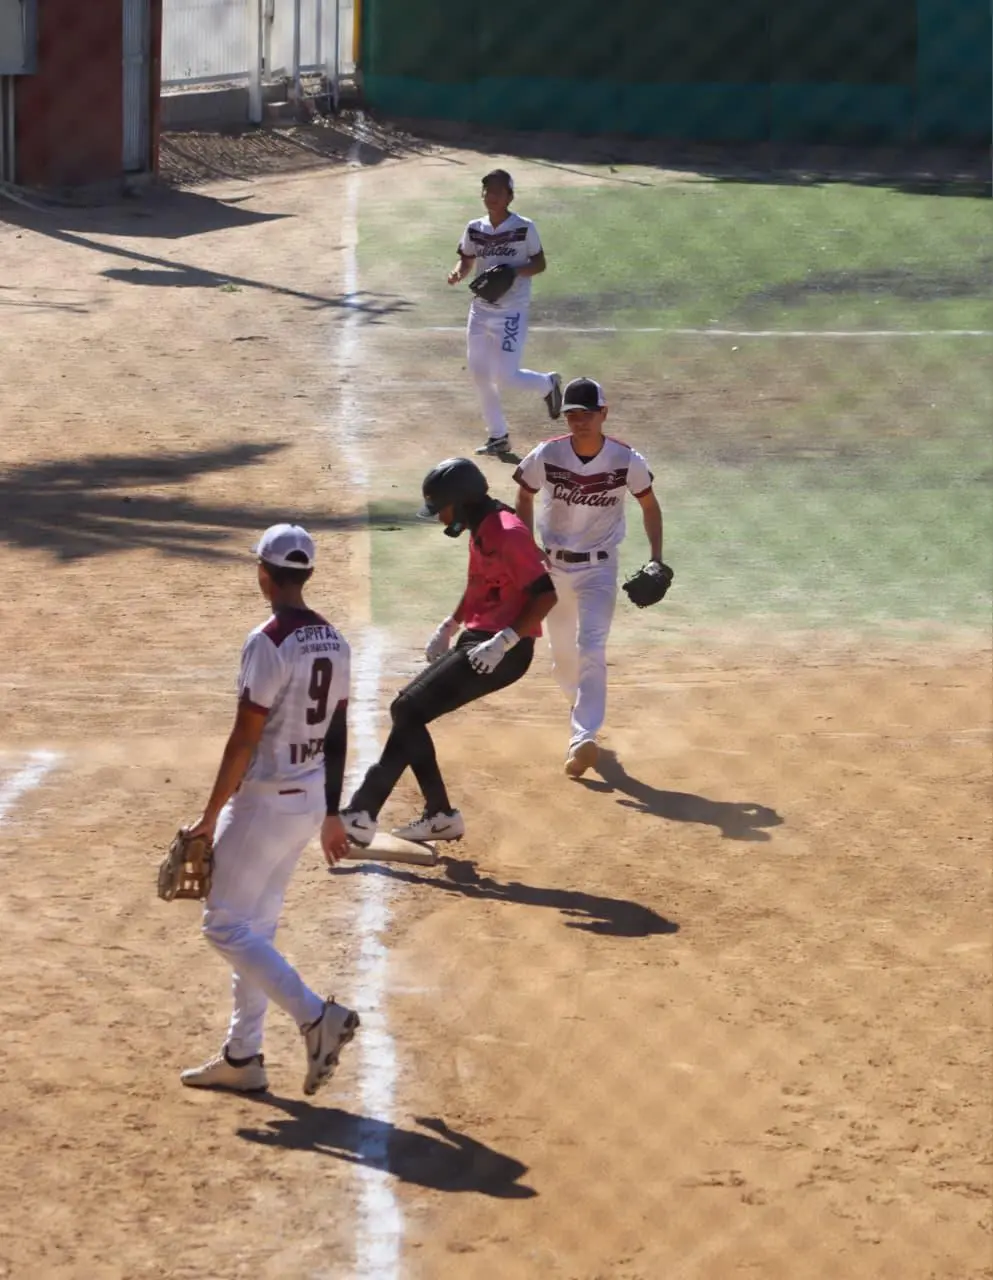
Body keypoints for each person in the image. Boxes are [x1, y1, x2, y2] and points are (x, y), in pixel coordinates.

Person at [180, 523, 360, 1097]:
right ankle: (243, 1055)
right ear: (305, 575)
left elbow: (243, 737)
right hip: (307, 800)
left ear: (264, 573)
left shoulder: (268, 640)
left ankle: (315, 1017)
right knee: (255, 929)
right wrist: (332, 810)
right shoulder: (335, 639)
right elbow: (337, 731)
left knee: (224, 926)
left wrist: (210, 817)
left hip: (263, 802)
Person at [341, 458, 557, 845]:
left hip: (504, 649)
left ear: (460, 501)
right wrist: (451, 624)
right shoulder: (482, 528)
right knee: (410, 713)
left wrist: (506, 641)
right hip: (480, 640)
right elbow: (480, 584)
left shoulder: (508, 533)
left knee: (407, 709)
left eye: (441, 508)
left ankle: (364, 811)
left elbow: (546, 595)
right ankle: (436, 814)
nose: (440, 518)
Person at [513, 377, 665, 777]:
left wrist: (656, 559)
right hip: (553, 567)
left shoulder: (626, 459)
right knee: (562, 658)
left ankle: (583, 736)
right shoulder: (548, 454)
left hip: (600, 567)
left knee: (591, 647)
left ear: (604, 414)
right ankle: (580, 706)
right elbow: (525, 493)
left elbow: (649, 505)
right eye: (572, 415)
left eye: (587, 414)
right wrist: (527, 550)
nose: (579, 422)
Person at [448, 168, 563, 459]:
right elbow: (466, 259)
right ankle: (498, 436)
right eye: (488, 191)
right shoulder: (475, 227)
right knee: (479, 374)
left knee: (506, 376)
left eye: (499, 191)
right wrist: (458, 273)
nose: (492, 196)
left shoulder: (525, 227)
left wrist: (513, 272)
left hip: (512, 312)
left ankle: (547, 384)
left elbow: (540, 264)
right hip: (481, 309)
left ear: (510, 196)